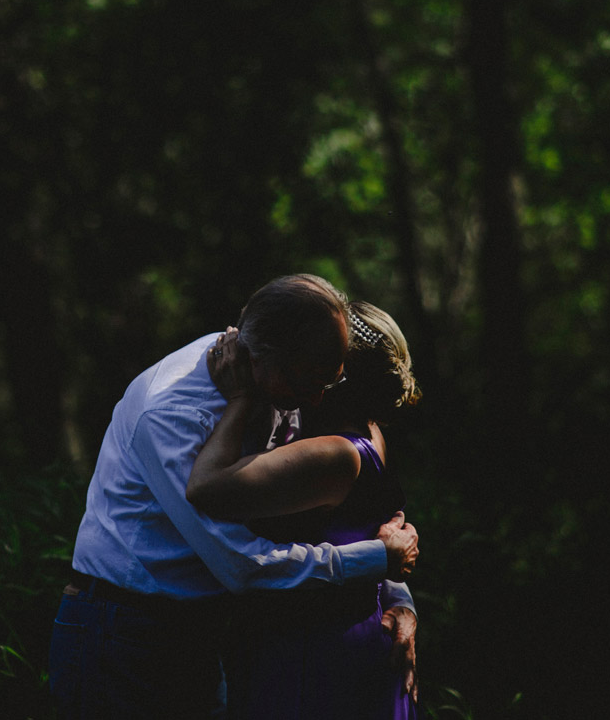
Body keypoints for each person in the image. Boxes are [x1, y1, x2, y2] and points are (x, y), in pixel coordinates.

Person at [49, 275, 419, 720]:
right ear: (260, 358)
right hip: (125, 633)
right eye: (309, 384)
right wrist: (376, 562)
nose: (316, 400)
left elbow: (348, 509)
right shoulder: (171, 415)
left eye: (331, 382)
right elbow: (241, 565)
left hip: (202, 633)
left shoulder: (292, 363)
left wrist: (394, 594)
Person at [189, 301, 424, 719]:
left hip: (316, 655)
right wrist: (402, 601)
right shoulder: (370, 435)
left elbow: (206, 487)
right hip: (352, 639)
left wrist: (240, 397)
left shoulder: (332, 454)